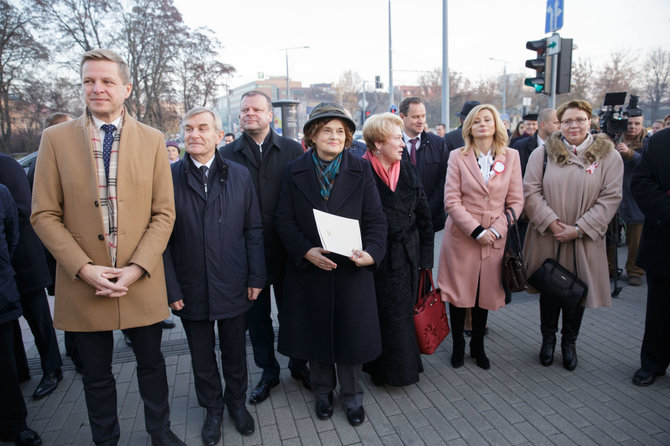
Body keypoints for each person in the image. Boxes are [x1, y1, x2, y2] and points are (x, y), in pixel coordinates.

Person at [31, 49, 185, 446]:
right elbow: (44, 214)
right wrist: (83, 268)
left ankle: (160, 433)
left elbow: (163, 214)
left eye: (106, 81)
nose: (96, 89)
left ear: (126, 88)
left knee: (152, 364)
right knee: (95, 374)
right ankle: (105, 440)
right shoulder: (55, 139)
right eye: (88, 81)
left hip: (141, 279)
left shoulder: (152, 140)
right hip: (86, 282)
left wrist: (137, 268)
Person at [275, 102, 387, 427]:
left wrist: (373, 253)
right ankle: (322, 393)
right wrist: (306, 250)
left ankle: (352, 399)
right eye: (327, 130)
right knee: (317, 336)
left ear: (349, 137)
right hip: (311, 270)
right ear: (312, 134)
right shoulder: (294, 170)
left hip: (351, 271)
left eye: (341, 131)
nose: (334, 136)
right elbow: (283, 220)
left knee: (351, 339)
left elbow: (377, 220)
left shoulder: (361, 169)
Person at [164, 107, 265, 444]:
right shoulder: (167, 177)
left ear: (219, 136)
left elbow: (253, 229)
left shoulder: (239, 175)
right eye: (189, 128)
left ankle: (236, 404)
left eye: (203, 128)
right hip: (189, 284)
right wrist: (170, 286)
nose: (195, 134)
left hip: (234, 280)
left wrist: (256, 276)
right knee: (201, 356)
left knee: (235, 352)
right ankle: (213, 410)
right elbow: (159, 239)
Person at [220, 90, 307, 404]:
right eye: (245, 110)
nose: (249, 114)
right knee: (256, 319)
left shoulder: (293, 150)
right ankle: (268, 372)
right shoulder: (226, 155)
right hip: (246, 255)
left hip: (288, 251)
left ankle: (299, 365)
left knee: (294, 312)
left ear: (271, 115)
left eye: (257, 109)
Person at [523, 99, 623, 371]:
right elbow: (530, 191)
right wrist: (553, 223)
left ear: (589, 121)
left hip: (584, 238)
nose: (573, 125)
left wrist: (578, 229)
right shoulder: (541, 154)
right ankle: (547, 341)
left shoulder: (608, 156)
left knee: (576, 291)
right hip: (548, 235)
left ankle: (569, 343)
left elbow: (610, 198)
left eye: (579, 119)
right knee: (549, 288)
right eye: (567, 121)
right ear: (559, 124)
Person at [437, 104, 523, 370]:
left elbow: (516, 202)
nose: (483, 124)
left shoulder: (511, 156)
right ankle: (459, 348)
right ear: (469, 128)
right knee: (460, 292)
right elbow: (451, 200)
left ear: (496, 124)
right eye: (477, 121)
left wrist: (495, 231)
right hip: (463, 235)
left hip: (494, 237)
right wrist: (476, 231)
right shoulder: (457, 156)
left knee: (483, 293)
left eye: (488, 120)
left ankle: (478, 346)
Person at [360, 113, 433, 386]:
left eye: (402, 138)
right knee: (384, 315)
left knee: (403, 313)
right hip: (377, 258)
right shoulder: (359, 170)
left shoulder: (407, 167)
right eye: (396, 138)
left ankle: (406, 366)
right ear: (378, 143)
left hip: (408, 254)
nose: (403, 143)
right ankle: (386, 371)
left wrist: (426, 258)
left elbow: (424, 212)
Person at [0, 152, 62, 400]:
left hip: (23, 260)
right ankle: (20, 371)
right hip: (7, 265)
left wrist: (11, 251)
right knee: (9, 324)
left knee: (38, 319)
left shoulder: (6, 164)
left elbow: (21, 213)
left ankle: (52, 369)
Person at [0, 184, 42, 446]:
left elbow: (12, 235)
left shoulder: (2, 192)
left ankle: (13, 424)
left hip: (0, 295)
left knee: (4, 364)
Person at [631, 127, 670, 386]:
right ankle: (652, 364)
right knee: (660, 311)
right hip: (665, 242)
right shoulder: (659, 141)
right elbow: (641, 184)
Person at [399, 97, 449, 232]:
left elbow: (445, 179)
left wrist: (428, 210)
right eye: (415, 117)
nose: (421, 121)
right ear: (402, 117)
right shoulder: (392, 144)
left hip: (430, 220)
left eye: (423, 116)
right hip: (399, 221)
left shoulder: (438, 144)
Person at [609, 111, 648, 286]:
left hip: (635, 197)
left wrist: (630, 153)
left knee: (636, 239)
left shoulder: (648, 143)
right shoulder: (614, 139)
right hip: (613, 194)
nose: (632, 127)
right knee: (609, 235)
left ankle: (635, 270)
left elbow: (649, 164)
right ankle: (609, 268)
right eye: (629, 123)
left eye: (637, 124)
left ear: (642, 125)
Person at [513, 108, 560, 177]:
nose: (559, 126)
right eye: (556, 123)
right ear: (543, 124)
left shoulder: (564, 146)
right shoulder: (521, 146)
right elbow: (517, 175)